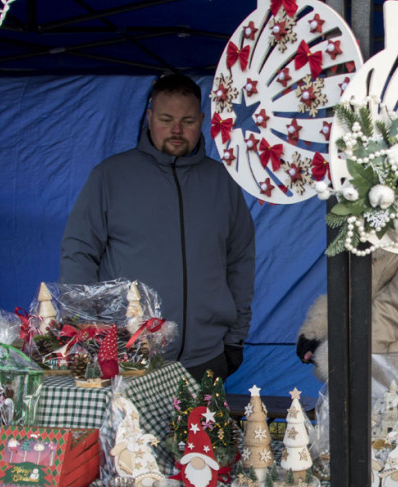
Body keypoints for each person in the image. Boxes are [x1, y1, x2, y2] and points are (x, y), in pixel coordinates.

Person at [61, 73, 255, 381]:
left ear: (202, 120)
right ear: (149, 117)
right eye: (166, 119)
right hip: (130, 358)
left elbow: (240, 261)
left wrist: (235, 337)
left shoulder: (224, 183)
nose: (177, 130)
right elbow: (78, 254)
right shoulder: (110, 177)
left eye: (188, 121)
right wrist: (88, 330)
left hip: (206, 357)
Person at [295, 233, 398, 382]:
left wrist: (344, 353)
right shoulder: (380, 218)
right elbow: (352, 288)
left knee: (392, 416)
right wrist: (319, 328)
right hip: (363, 356)